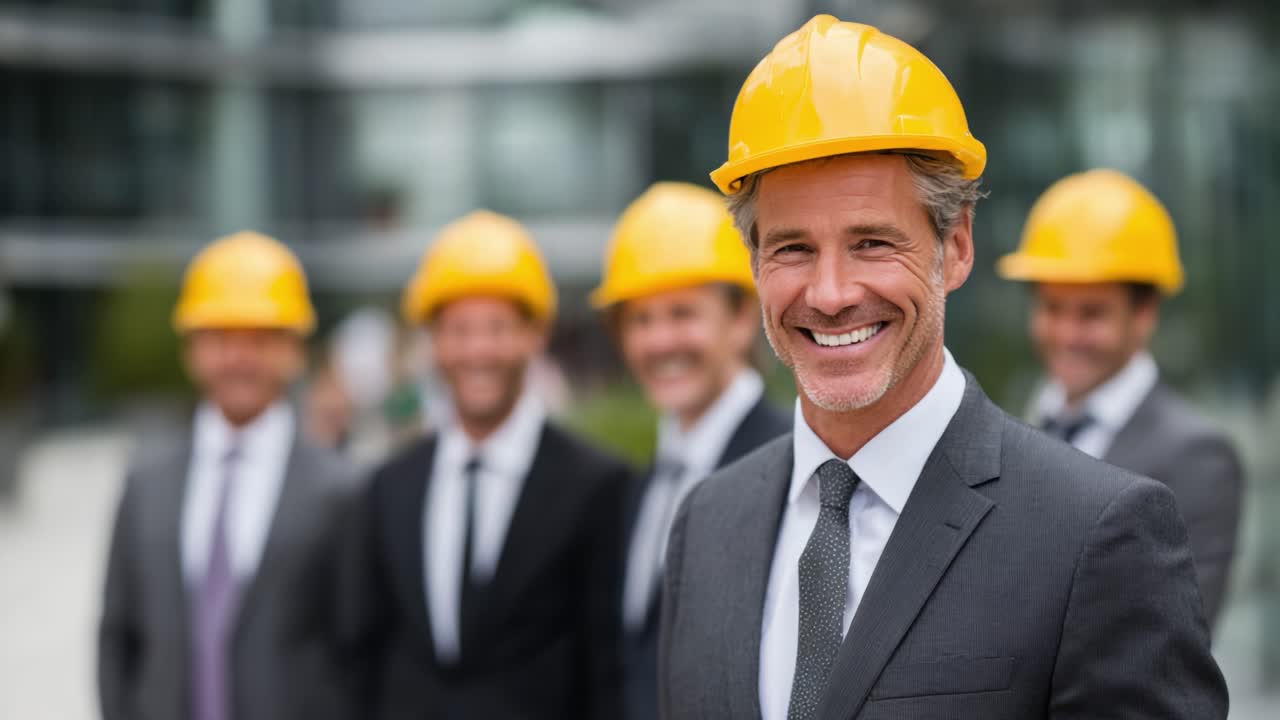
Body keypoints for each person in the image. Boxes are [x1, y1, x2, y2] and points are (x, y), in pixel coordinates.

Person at [657, 15, 1227, 719]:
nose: (831, 294)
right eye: (793, 249)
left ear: (955, 249)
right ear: (753, 264)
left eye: (871, 242)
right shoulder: (708, 525)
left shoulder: (1097, 534)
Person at [341, 210, 630, 719]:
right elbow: (366, 651)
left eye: (497, 328)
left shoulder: (597, 485)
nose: (478, 350)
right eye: (459, 330)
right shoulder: (390, 485)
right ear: (433, 342)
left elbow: (605, 666)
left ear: (535, 335)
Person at [98, 231, 357, 720]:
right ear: (190, 350)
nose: (238, 358)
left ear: (296, 350)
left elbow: (359, 651)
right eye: (219, 338)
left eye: (259, 339)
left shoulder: (341, 490)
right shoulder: (145, 482)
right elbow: (118, 638)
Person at [997, 169, 1244, 628]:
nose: (1067, 335)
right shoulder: (1012, 431)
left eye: (1092, 314)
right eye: (1052, 309)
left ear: (1145, 312)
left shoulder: (1197, 457)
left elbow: (1176, 638)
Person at [591, 182, 789, 720]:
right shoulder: (643, 482)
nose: (660, 343)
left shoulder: (796, 467)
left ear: (742, 319)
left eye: (682, 314)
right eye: (640, 320)